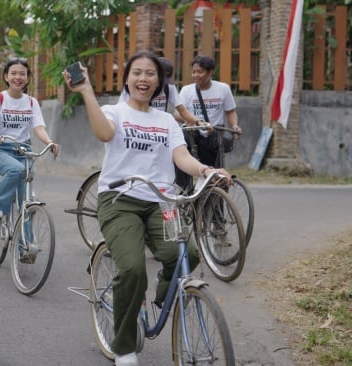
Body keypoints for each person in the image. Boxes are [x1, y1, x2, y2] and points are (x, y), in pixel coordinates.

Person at [63, 52, 232, 366]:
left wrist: (206, 171)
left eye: (150, 74)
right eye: (137, 73)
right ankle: (124, 345)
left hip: (161, 202)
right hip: (120, 201)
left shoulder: (166, 120)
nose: (143, 79)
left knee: (188, 255)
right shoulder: (114, 112)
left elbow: (181, 157)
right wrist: (86, 91)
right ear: (127, 78)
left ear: (160, 82)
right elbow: (103, 133)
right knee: (132, 269)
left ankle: (160, 290)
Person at [0, 58, 59, 219]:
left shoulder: (32, 102)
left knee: (27, 203)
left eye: (22, 74)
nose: (18, 77)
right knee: (16, 170)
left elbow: (39, 127)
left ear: (28, 78)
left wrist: (49, 142)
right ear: (6, 77)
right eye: (13, 73)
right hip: (0, 149)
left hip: (24, 151)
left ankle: (26, 244)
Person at [178, 55, 242, 168]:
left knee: (214, 171)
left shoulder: (223, 89)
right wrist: (192, 121)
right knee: (183, 159)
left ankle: (214, 182)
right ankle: (183, 185)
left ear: (210, 72)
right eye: (193, 72)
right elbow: (178, 114)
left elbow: (230, 111)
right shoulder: (186, 90)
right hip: (193, 134)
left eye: (200, 72)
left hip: (214, 134)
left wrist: (234, 125)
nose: (195, 75)